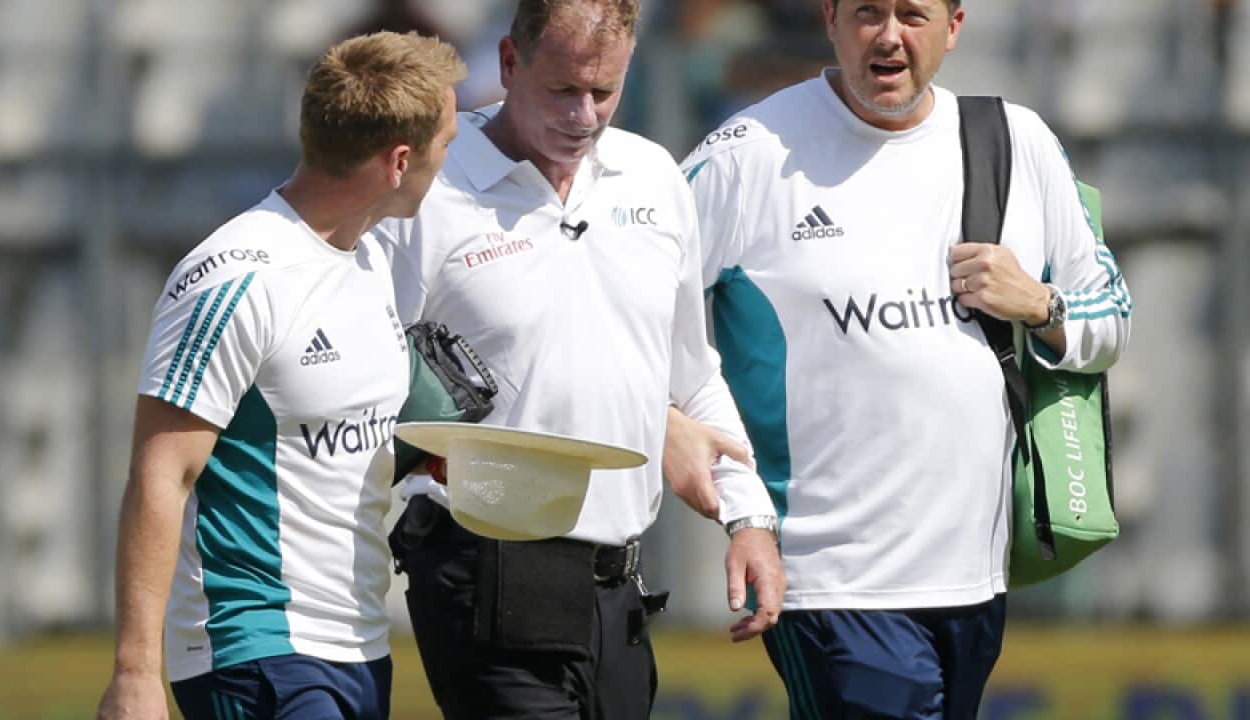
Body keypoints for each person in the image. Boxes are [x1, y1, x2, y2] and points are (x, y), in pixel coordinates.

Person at [676, 0, 1133, 718]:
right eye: (867, 12)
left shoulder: (1016, 142)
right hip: (832, 585)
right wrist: (719, 478)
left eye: (912, 14)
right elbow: (637, 309)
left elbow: (1113, 317)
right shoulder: (749, 152)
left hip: (974, 582)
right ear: (829, 19)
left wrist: (1040, 303)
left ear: (953, 26)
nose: (889, 35)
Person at [372, 1, 785, 718]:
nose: (586, 115)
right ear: (508, 63)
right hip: (479, 569)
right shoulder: (425, 187)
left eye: (605, 91)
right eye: (563, 90)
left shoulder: (655, 177)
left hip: (617, 581)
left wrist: (749, 518)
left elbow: (692, 372)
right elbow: (361, 377)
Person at [94, 32, 465, 720]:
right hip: (255, 644)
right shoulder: (235, 277)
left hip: (357, 643)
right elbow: (160, 472)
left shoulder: (371, 258)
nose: (453, 158)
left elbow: (316, 437)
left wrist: (423, 456)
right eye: (447, 142)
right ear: (400, 161)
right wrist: (135, 673)